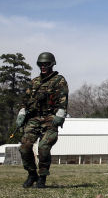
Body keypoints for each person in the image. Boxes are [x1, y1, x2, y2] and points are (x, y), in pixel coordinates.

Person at [16, 52, 69, 188]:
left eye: (46, 64)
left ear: (52, 64)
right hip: (34, 118)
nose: (43, 67)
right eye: (41, 64)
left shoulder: (59, 80)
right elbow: (25, 101)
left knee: (43, 147)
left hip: (50, 118)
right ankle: (32, 174)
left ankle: (42, 177)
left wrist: (60, 115)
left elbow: (63, 101)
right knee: (24, 147)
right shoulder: (34, 82)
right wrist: (22, 113)